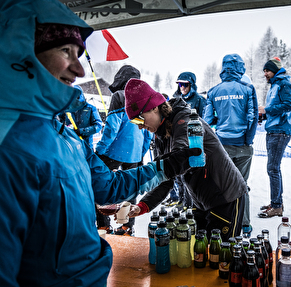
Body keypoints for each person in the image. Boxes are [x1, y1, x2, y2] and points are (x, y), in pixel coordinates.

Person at [0, 1, 200, 285]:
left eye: (79, 54)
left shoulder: (67, 136)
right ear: (21, 51)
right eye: (66, 51)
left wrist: (162, 168)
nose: (80, 71)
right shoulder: (8, 147)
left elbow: (107, 187)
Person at [124, 78, 248, 241]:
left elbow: (182, 153)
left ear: (154, 107)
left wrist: (144, 176)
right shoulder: (160, 135)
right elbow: (166, 179)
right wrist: (142, 206)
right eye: (134, 122)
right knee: (199, 254)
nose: (139, 126)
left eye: (139, 119)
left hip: (226, 197)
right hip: (201, 201)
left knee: (220, 257)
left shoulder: (185, 120)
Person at [203, 53, 258, 235]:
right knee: (242, 185)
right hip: (242, 146)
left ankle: (225, 222)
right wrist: (246, 141)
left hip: (222, 147)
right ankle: (245, 224)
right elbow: (253, 118)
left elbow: (207, 121)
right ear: (240, 68)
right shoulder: (248, 89)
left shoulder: (213, 91)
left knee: (223, 185)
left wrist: (217, 140)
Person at [95, 65, 152, 236]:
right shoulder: (144, 101)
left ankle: (103, 225)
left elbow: (111, 128)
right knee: (131, 188)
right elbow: (148, 132)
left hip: (113, 151)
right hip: (134, 153)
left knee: (101, 184)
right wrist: (141, 152)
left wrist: (100, 150)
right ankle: (127, 226)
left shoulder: (120, 96)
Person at [163, 72, 208, 209]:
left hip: (194, 139)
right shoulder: (175, 99)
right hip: (177, 139)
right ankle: (182, 200)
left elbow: (204, 120)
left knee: (191, 173)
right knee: (178, 174)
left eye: (185, 84)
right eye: (179, 84)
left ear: (192, 85)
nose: (182, 87)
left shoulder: (199, 99)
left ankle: (192, 203)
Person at [257, 57, 291, 218]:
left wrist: (266, 110)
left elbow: (288, 105)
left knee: (273, 168)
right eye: (264, 71)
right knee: (273, 168)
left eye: (267, 70)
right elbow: (275, 109)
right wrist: (264, 116)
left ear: (275, 71)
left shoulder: (284, 84)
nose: (265, 73)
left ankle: (277, 206)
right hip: (273, 129)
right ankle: (276, 201)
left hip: (280, 131)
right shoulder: (275, 85)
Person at [58, 85, 103, 149]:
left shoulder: (90, 108)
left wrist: (81, 131)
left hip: (86, 146)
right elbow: (57, 122)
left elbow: (98, 126)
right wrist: (66, 130)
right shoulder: (66, 108)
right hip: (69, 146)